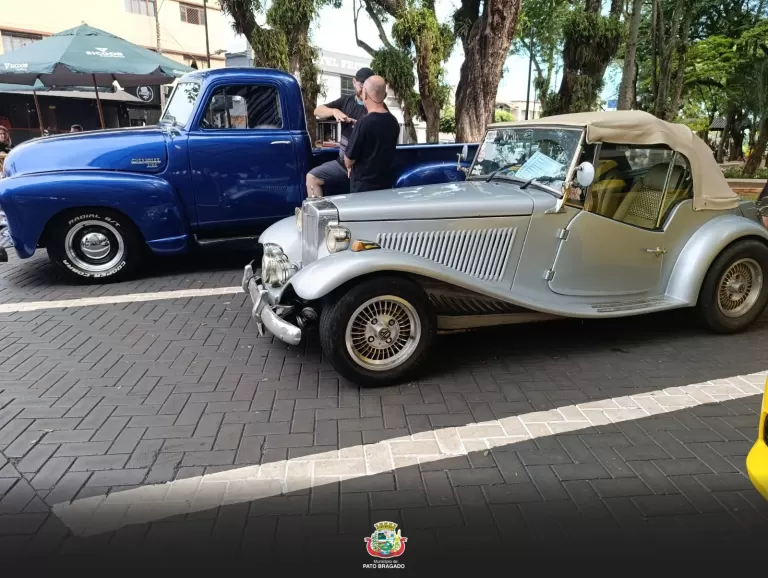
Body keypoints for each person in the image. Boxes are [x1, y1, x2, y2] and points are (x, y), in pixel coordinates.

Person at [306, 67, 375, 198]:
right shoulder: (346, 101)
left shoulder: (375, 107)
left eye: (367, 85)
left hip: (361, 167)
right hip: (342, 163)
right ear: (354, 82)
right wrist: (334, 111)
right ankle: (319, 211)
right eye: (361, 84)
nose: (364, 89)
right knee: (312, 177)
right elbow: (317, 111)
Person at [344, 75, 400, 193]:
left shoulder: (363, 123)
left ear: (365, 94)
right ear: (385, 95)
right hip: (385, 188)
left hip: (362, 190)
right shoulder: (393, 122)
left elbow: (348, 161)